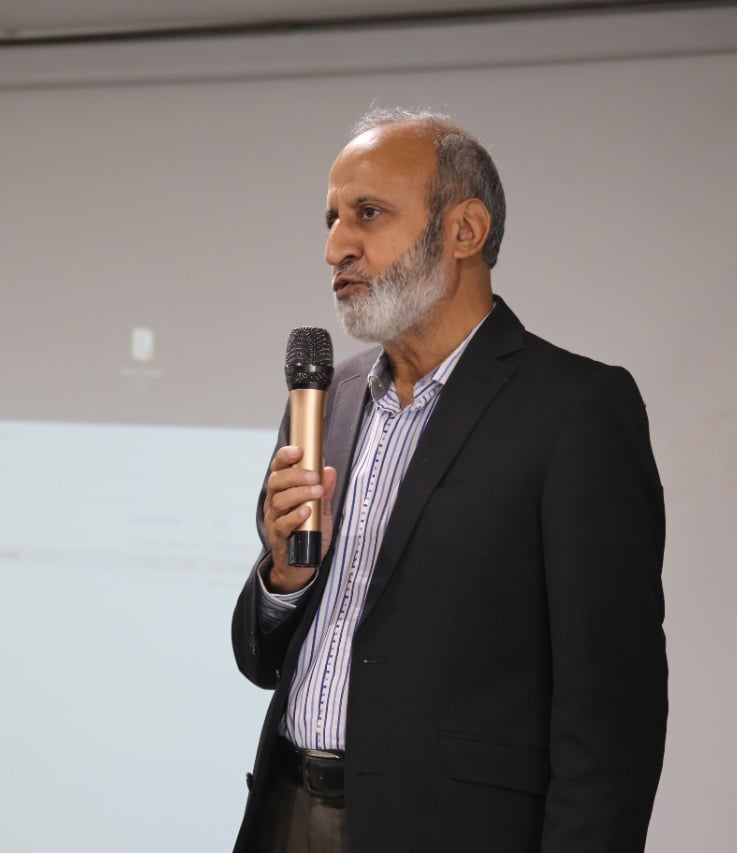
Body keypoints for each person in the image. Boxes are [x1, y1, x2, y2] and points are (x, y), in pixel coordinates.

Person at [230, 108, 667, 853]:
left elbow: (613, 710)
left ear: (464, 230)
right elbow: (261, 659)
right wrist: (284, 579)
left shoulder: (576, 409)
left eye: (368, 213)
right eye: (332, 219)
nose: (336, 246)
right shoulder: (329, 399)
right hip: (284, 814)